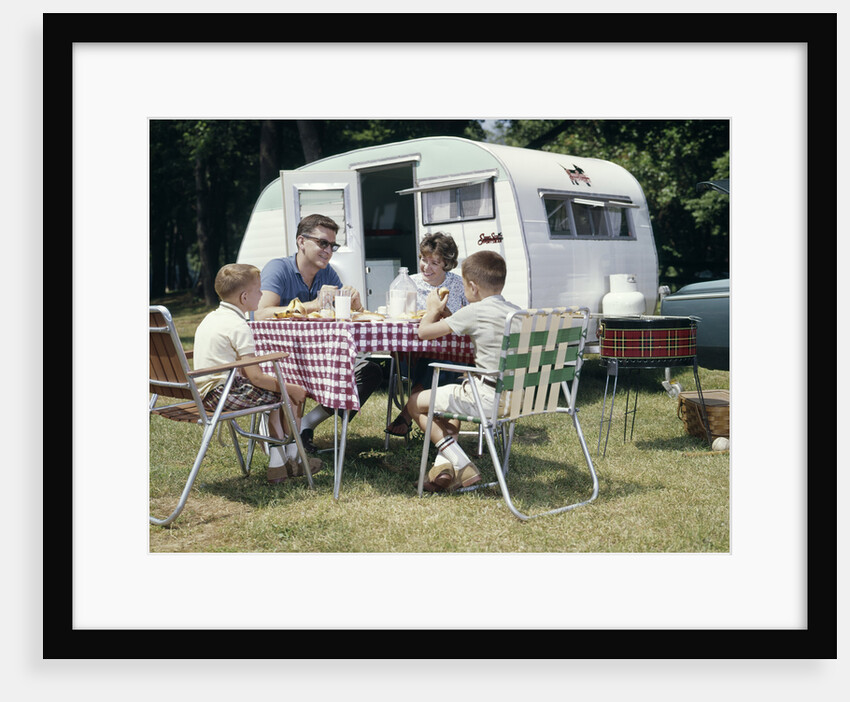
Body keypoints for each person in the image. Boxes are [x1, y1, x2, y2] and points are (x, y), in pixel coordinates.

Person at [255, 214, 383, 453]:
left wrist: (355, 306)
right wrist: (313, 304)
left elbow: (342, 318)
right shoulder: (279, 268)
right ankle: (284, 437)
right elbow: (261, 314)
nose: (329, 250)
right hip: (282, 361)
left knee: (370, 373)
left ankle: (305, 426)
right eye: (323, 243)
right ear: (301, 241)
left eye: (332, 245)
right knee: (317, 379)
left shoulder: (328, 273)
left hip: (318, 359)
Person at [193, 263, 321, 484]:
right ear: (244, 297)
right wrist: (292, 388)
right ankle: (293, 459)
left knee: (274, 396)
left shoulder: (211, 318)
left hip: (203, 393)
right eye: (259, 290)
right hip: (224, 394)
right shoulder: (239, 325)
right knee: (288, 396)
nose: (262, 294)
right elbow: (256, 377)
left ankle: (279, 463)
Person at [406, 250, 520, 493]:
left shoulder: (475, 311)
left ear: (472, 287)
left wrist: (432, 308)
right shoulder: (516, 312)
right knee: (453, 396)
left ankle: (461, 462)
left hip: (489, 399)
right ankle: (444, 466)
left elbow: (424, 332)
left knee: (414, 403)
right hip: (521, 398)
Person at [385, 231, 468, 438]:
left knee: (441, 360)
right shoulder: (408, 283)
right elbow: (396, 316)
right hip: (412, 355)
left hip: (453, 354)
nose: (426, 267)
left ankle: (408, 411)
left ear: (446, 264)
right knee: (437, 362)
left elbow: (467, 321)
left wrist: (446, 315)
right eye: (424, 259)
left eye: (434, 262)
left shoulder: (458, 285)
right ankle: (448, 440)